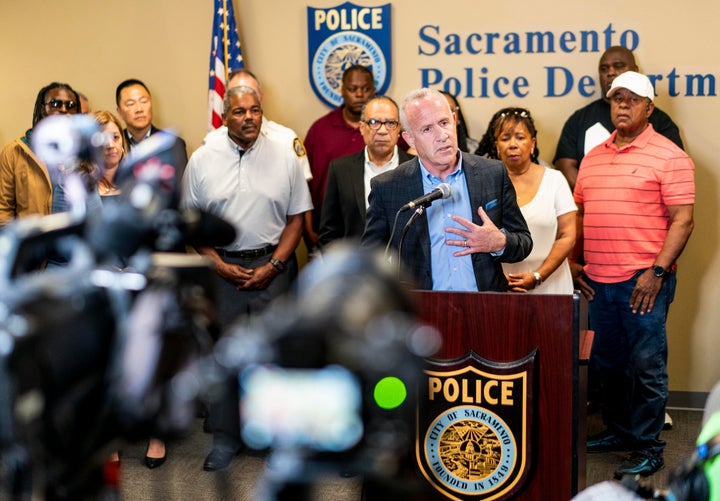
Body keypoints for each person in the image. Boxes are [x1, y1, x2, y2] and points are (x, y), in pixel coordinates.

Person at [182, 85, 312, 472]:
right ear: (225, 117)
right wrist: (218, 265)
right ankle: (226, 439)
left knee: (276, 356)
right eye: (240, 112)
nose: (250, 118)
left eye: (255, 110)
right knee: (225, 357)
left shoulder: (285, 153)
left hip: (274, 268)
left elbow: (295, 219)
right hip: (223, 273)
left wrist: (274, 265)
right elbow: (190, 226)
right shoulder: (202, 159)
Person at [575, 71, 695, 478]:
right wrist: (574, 264)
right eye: (616, 98)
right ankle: (621, 431)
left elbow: (683, 221)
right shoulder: (593, 158)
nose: (622, 105)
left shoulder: (669, 156)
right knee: (608, 364)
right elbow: (580, 216)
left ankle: (648, 445)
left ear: (649, 107)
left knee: (646, 365)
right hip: (598, 282)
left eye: (632, 99)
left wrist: (657, 272)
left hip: (645, 283)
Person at [361, 88, 532, 292]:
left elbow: (524, 242)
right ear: (410, 139)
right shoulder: (388, 187)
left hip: (486, 310)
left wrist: (499, 242)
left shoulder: (492, 173)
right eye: (427, 129)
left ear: (454, 119)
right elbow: (369, 260)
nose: (442, 136)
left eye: (444, 123)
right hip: (422, 313)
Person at [554, 46, 683, 190]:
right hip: (592, 206)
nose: (610, 72)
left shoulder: (661, 121)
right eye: (604, 69)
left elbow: (675, 171)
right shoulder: (579, 119)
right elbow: (564, 165)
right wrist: (597, 194)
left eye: (618, 66)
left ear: (635, 70)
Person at [486, 107, 576, 294]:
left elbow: (567, 235)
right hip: (502, 286)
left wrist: (538, 275)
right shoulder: (486, 182)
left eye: (520, 137)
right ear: (496, 146)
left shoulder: (555, 179)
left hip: (550, 284)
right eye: (505, 138)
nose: (512, 144)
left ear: (532, 143)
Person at [318, 96, 413, 248]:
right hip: (354, 268)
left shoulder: (415, 167)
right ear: (362, 127)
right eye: (374, 122)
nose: (382, 130)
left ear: (398, 129)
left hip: (404, 269)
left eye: (390, 123)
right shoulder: (340, 169)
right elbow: (329, 233)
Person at [304, 65, 376, 248]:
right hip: (329, 229)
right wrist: (309, 228)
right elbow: (305, 184)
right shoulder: (320, 130)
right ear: (342, 90)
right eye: (353, 89)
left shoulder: (383, 130)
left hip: (375, 229)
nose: (359, 94)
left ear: (373, 91)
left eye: (365, 89)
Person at [0, 82, 80, 226]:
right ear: (42, 108)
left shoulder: (84, 151)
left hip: (72, 241)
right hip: (32, 243)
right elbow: (3, 211)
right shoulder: (14, 152)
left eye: (70, 105)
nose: (63, 109)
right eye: (56, 104)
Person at [115, 78, 188, 169]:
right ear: (119, 112)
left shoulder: (173, 144)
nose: (139, 109)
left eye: (144, 101)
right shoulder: (114, 145)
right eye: (131, 104)